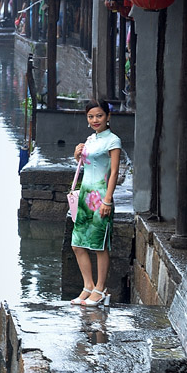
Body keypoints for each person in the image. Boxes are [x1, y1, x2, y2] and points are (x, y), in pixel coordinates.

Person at [69, 98, 121, 307]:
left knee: (99, 245)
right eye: (91, 116)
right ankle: (87, 286)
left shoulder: (113, 141)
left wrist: (108, 200)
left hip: (101, 197)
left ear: (108, 116)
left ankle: (100, 289)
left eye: (99, 115)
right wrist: (77, 155)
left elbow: (115, 171)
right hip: (84, 197)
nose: (95, 119)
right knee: (78, 244)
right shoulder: (90, 139)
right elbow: (86, 166)